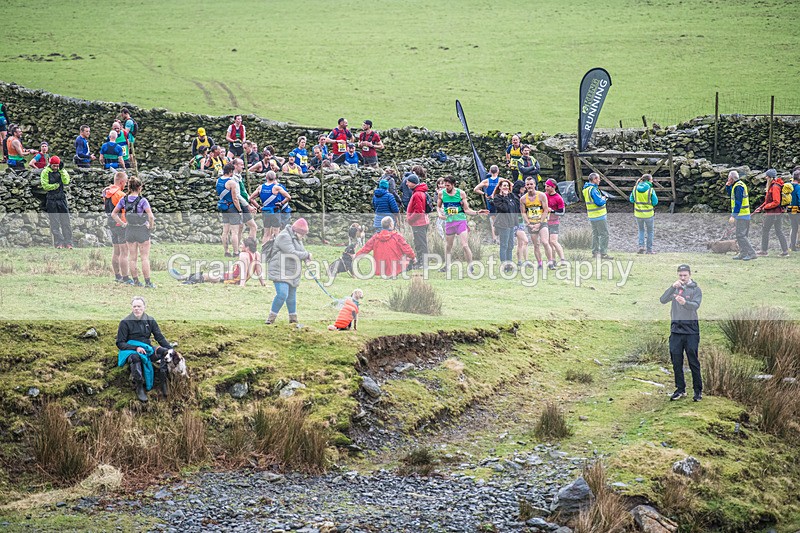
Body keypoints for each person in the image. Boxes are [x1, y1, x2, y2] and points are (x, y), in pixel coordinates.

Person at [116, 296, 175, 402]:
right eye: (134, 306)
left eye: (139, 306)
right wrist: (136, 348)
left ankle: (163, 383)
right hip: (131, 350)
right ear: (132, 308)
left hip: (147, 348)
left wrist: (170, 349)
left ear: (144, 307)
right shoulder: (125, 322)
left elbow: (159, 337)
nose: (136, 309)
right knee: (135, 358)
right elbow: (120, 343)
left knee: (164, 352)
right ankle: (139, 387)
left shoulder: (150, 320)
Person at [660, 264, 703, 402]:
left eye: (685, 275)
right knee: (676, 360)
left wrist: (685, 302)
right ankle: (680, 389)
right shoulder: (675, 288)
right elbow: (662, 300)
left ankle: (698, 391)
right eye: (680, 275)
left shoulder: (696, 289)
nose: (683, 278)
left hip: (691, 331)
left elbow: (695, 305)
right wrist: (673, 287)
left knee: (693, 361)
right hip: (676, 330)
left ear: (690, 274)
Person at [112, 177, 156, 288]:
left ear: (129, 187)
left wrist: (123, 224)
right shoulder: (142, 200)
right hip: (141, 229)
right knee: (144, 257)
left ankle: (136, 281)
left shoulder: (124, 199)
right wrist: (150, 227)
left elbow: (113, 214)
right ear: (139, 187)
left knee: (132, 258)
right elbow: (151, 216)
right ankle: (148, 282)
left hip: (129, 230)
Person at [438, 175, 489, 272]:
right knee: (448, 246)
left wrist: (477, 212)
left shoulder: (461, 194)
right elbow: (438, 206)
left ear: (453, 185)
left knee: (465, 245)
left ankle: (470, 267)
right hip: (449, 222)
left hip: (460, 221)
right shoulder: (441, 194)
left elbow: (466, 210)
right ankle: (446, 266)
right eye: (445, 185)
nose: (446, 187)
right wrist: (440, 214)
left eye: (448, 185)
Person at [266, 218, 311, 325]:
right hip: (279, 270)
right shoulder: (284, 236)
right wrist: (307, 255)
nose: (303, 237)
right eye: (302, 234)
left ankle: (293, 320)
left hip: (292, 272)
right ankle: (270, 319)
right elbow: (291, 252)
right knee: (282, 294)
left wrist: (306, 258)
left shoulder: (296, 238)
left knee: (292, 298)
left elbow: (301, 251)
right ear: (297, 231)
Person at [176, 237, 265, 287]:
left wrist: (242, 285)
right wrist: (263, 284)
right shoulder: (257, 254)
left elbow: (244, 271)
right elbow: (258, 270)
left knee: (207, 276)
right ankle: (184, 277)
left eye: (242, 244)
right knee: (209, 275)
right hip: (233, 276)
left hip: (232, 278)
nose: (240, 245)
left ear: (247, 247)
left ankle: (187, 281)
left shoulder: (243, 255)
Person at [753, 169, 789, 257]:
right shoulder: (772, 186)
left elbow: (776, 201)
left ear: (770, 177)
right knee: (778, 231)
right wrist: (760, 207)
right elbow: (768, 200)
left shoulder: (775, 187)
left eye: (767, 176)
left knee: (766, 230)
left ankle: (764, 251)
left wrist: (765, 207)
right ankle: (785, 251)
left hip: (774, 213)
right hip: (776, 213)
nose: (765, 178)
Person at [40, 156, 74, 249]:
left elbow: (66, 181)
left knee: (66, 221)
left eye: (57, 166)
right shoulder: (45, 172)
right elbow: (45, 185)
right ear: (50, 165)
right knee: (54, 222)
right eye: (54, 166)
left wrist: (62, 170)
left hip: (61, 198)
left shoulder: (61, 170)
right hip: (51, 199)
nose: (55, 168)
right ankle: (59, 242)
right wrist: (55, 186)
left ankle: (68, 242)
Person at [521, 176, 554, 269]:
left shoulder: (541, 196)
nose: (530, 186)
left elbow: (546, 210)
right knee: (536, 244)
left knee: (545, 242)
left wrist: (539, 223)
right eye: (528, 184)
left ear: (535, 185)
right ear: (525, 186)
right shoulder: (523, 199)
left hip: (542, 222)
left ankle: (550, 262)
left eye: (531, 184)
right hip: (531, 223)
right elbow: (523, 213)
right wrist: (529, 224)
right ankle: (540, 263)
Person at [250, 170, 292, 244]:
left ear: (266, 177)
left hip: (265, 212)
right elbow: (288, 197)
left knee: (266, 233)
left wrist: (259, 207)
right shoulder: (276, 188)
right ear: (275, 178)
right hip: (275, 212)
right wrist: (281, 203)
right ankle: (276, 251)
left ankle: (264, 250)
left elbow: (251, 199)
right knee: (276, 232)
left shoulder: (260, 187)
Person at [103, 171, 130, 283]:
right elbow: (126, 210)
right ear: (122, 182)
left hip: (111, 223)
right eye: (126, 182)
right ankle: (126, 278)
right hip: (121, 224)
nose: (126, 185)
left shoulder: (107, 192)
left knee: (116, 251)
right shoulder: (120, 195)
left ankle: (117, 276)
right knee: (124, 252)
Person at [725, 170, 758, 261]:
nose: (728, 179)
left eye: (728, 178)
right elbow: (733, 195)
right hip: (744, 215)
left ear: (731, 178)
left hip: (741, 215)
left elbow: (738, 202)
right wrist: (728, 187)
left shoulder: (738, 187)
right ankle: (743, 253)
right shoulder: (739, 185)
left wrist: (733, 216)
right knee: (741, 235)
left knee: (741, 235)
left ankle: (752, 253)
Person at [583, 172, 613, 260]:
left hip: (591, 216)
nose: (599, 180)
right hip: (599, 215)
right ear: (594, 179)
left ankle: (595, 252)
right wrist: (604, 199)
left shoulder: (586, 189)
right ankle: (603, 253)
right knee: (604, 234)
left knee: (595, 234)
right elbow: (599, 202)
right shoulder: (593, 189)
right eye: (598, 179)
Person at [215, 163, 243, 257]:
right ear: (230, 171)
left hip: (223, 207)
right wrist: (239, 210)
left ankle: (226, 251)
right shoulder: (231, 183)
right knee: (234, 232)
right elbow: (235, 198)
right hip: (231, 208)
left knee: (225, 231)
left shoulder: (218, 181)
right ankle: (236, 252)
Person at [491, 178, 518, 270]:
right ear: (500, 187)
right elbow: (505, 208)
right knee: (504, 245)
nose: (506, 187)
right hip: (503, 223)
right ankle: (504, 265)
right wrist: (506, 198)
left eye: (507, 185)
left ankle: (509, 264)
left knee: (510, 245)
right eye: (504, 186)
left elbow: (515, 207)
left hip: (511, 223)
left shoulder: (512, 196)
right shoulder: (497, 198)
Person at [629, 173, 658, 254]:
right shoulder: (651, 190)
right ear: (649, 180)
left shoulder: (635, 188)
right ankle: (649, 250)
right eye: (651, 180)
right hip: (649, 214)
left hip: (638, 214)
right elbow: (655, 202)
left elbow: (631, 199)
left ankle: (641, 246)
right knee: (650, 232)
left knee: (641, 231)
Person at [406, 174, 430, 267]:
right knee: (420, 242)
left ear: (413, 183)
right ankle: (422, 262)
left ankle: (422, 263)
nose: (407, 183)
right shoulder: (419, 192)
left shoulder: (417, 194)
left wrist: (410, 219)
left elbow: (418, 211)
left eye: (408, 181)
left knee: (420, 243)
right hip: (422, 221)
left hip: (419, 223)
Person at [474, 165, 501, 243]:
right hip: (499, 201)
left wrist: (484, 193)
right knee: (501, 219)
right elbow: (511, 185)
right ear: (498, 171)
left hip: (490, 201)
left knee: (493, 220)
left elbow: (475, 189)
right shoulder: (501, 180)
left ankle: (494, 238)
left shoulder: (486, 181)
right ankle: (500, 238)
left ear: (489, 171)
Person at [543, 179, 566, 264]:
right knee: (548, 243)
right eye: (545, 186)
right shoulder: (544, 195)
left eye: (548, 186)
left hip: (554, 222)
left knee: (553, 241)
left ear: (553, 187)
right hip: (545, 222)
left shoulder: (558, 198)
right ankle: (552, 260)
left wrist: (552, 211)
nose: (546, 188)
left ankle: (562, 259)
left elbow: (562, 212)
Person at [789, 170, 800, 252]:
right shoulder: (798, 187)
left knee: (794, 228)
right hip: (797, 210)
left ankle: (792, 246)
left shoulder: (789, 186)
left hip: (790, 210)